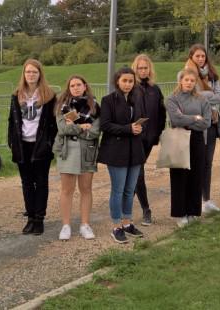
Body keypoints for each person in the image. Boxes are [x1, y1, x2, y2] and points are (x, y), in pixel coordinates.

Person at [8, 59, 58, 236]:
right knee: (27, 183)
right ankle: (30, 217)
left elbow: (53, 124)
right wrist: (12, 143)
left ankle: (39, 218)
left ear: (40, 74)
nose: (31, 75)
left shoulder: (48, 96)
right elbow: (12, 121)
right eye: (28, 72)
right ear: (24, 74)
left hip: (41, 146)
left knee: (41, 182)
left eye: (34, 72)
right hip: (23, 145)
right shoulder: (17, 95)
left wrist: (49, 144)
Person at [98, 67, 145, 244]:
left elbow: (140, 120)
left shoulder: (136, 99)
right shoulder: (108, 100)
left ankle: (127, 222)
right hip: (116, 152)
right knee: (118, 190)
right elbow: (106, 125)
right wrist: (128, 129)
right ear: (117, 81)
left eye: (131, 81)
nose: (128, 84)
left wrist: (140, 127)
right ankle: (116, 226)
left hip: (135, 151)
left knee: (129, 189)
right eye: (124, 81)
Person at [53, 75, 101, 240]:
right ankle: (66, 226)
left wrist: (74, 126)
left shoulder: (94, 107)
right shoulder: (62, 107)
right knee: (67, 190)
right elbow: (62, 129)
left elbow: (95, 132)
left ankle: (85, 225)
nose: (75, 88)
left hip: (87, 151)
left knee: (86, 189)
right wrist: (82, 127)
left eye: (78, 84)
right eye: (72, 85)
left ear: (85, 86)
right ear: (69, 88)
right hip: (67, 151)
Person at [184, 44, 220, 214]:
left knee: (208, 164)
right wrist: (209, 98)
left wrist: (205, 98)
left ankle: (206, 200)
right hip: (196, 127)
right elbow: (192, 98)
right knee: (195, 164)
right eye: (197, 56)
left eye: (203, 56)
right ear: (191, 57)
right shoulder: (187, 75)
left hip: (212, 125)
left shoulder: (212, 76)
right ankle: (191, 202)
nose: (201, 59)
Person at [167, 69, 212, 227]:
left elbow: (206, 122)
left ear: (195, 83)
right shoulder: (173, 99)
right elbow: (175, 120)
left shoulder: (202, 100)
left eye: (192, 81)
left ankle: (193, 211)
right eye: (186, 80)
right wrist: (194, 117)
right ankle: (180, 213)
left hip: (197, 139)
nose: (189, 83)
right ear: (181, 81)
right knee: (180, 176)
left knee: (195, 175)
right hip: (179, 138)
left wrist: (185, 119)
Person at [130, 54, 166, 226]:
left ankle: (130, 207)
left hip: (149, 138)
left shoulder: (155, 90)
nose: (143, 71)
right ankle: (146, 209)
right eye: (139, 68)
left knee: (136, 172)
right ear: (135, 69)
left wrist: (157, 134)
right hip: (133, 137)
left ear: (149, 69)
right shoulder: (130, 88)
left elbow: (161, 113)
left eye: (145, 68)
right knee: (138, 173)